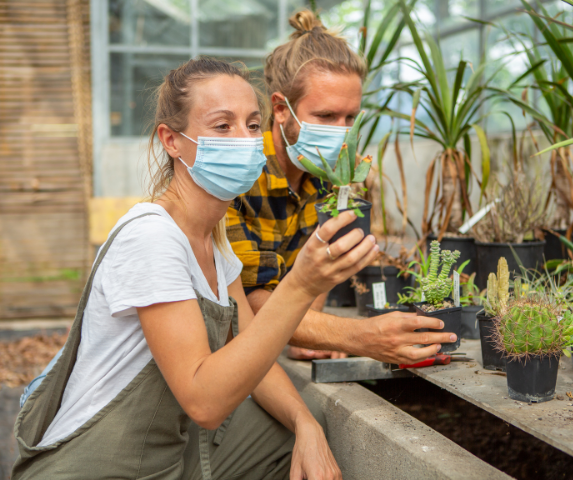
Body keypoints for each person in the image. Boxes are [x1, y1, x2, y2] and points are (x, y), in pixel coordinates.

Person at [12, 57, 379, 480]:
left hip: (166, 453)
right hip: (100, 464)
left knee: (288, 434)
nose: (244, 139)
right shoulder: (152, 238)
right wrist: (301, 285)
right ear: (171, 140)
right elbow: (204, 403)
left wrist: (305, 423)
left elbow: (247, 344)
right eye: (222, 126)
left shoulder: (214, 240)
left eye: (251, 124)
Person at [226, 10, 456, 362]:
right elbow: (248, 300)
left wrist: (311, 333)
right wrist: (355, 336)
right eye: (325, 116)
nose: (341, 131)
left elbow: (326, 268)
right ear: (281, 108)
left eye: (351, 117)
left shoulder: (338, 175)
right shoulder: (236, 177)